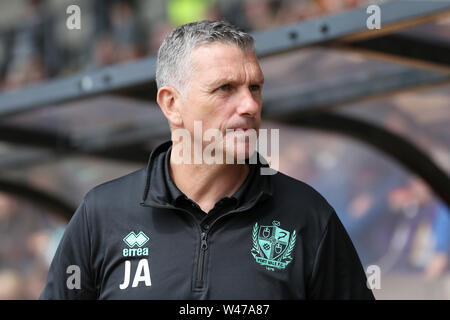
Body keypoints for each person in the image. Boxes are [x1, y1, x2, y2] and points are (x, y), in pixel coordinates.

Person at [40, 20, 374, 300]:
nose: (250, 106)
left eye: (255, 88)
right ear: (171, 104)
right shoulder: (101, 214)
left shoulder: (308, 216)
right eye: (225, 89)